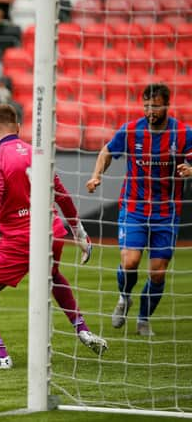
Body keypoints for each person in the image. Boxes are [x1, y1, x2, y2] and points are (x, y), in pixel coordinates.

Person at [0, 104, 108, 369]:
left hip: (22, 238)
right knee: (52, 276)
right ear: (18, 128)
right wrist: (79, 231)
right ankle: (82, 329)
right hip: (53, 230)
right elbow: (61, 194)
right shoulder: (37, 153)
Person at [86, 83, 192, 337]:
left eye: (155, 105)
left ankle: (143, 318)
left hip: (166, 212)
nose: (150, 110)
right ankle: (124, 298)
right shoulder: (131, 130)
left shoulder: (183, 132)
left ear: (166, 105)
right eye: (146, 105)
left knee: (157, 271)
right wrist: (96, 175)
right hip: (133, 208)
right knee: (130, 260)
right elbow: (107, 151)